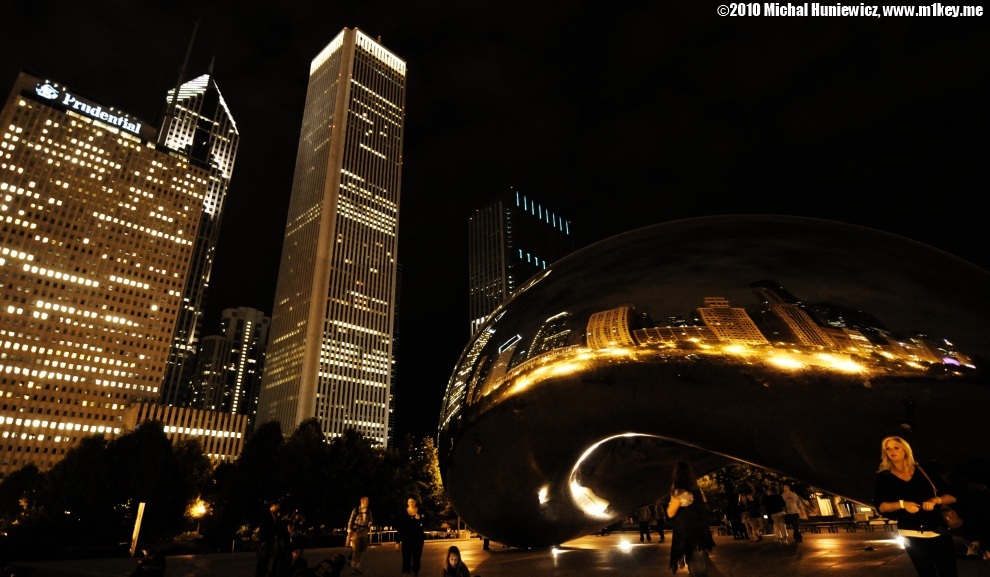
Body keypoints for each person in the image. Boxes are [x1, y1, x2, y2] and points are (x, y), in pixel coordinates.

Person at [874, 435, 959, 577]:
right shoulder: (884, 477)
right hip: (911, 533)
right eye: (887, 449)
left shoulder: (924, 470)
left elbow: (952, 496)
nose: (892, 451)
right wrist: (902, 504)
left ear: (905, 450)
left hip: (938, 530)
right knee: (926, 573)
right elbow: (881, 507)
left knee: (949, 572)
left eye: (896, 448)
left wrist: (934, 500)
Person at [666, 461, 715, 576]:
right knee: (699, 563)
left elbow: (670, 513)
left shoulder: (679, 492)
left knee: (696, 567)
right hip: (701, 532)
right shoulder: (697, 490)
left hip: (688, 534)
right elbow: (705, 504)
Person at [396, 497, 427, 576]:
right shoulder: (403, 513)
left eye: (413, 501)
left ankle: (415, 572)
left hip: (418, 539)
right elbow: (400, 527)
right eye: (409, 502)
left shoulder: (421, 511)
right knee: (406, 557)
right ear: (407, 503)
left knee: (417, 557)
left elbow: (426, 524)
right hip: (406, 539)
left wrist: (420, 519)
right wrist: (397, 542)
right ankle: (406, 573)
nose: (411, 503)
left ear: (416, 502)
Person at [346, 496, 374, 575]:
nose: (368, 502)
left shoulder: (368, 511)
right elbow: (350, 520)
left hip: (364, 531)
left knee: (361, 550)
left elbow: (371, 519)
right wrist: (349, 531)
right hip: (357, 531)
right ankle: (353, 568)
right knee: (356, 549)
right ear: (362, 502)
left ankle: (357, 567)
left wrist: (370, 523)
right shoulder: (356, 510)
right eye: (367, 501)